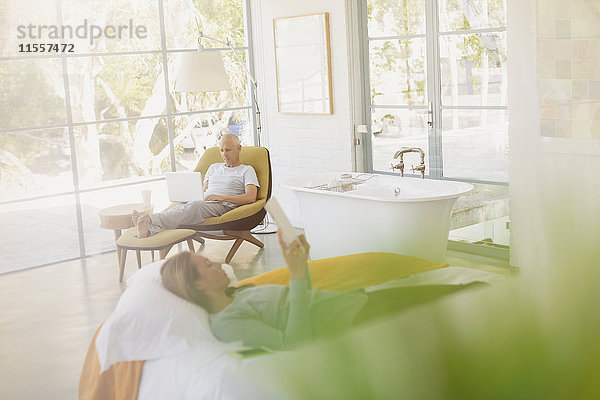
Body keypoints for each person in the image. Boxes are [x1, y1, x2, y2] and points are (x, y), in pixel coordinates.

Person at [160, 233, 481, 351]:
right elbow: (295, 342)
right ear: (198, 284)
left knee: (468, 292)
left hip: (358, 301)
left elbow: (305, 298)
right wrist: (298, 276)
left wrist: (302, 265)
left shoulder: (239, 293)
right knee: (462, 306)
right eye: (206, 265)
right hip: (356, 321)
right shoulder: (226, 323)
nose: (215, 263)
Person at [134, 134, 259, 238]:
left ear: (239, 148)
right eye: (221, 150)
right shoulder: (214, 167)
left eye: (228, 150)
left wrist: (222, 197)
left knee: (194, 206)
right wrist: (190, 195)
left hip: (223, 205)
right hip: (205, 201)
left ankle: (148, 221)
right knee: (184, 206)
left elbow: (251, 197)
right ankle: (147, 230)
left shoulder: (247, 170)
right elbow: (203, 191)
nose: (224, 154)